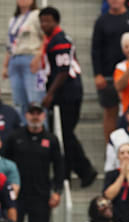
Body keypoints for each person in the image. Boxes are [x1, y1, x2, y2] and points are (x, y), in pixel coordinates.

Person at [3, 103, 63, 222]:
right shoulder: (15, 137)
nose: (35, 116)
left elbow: (59, 167)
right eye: (32, 113)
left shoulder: (51, 139)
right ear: (26, 115)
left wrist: (57, 191)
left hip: (41, 195)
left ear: (44, 116)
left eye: (38, 113)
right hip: (17, 195)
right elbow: (4, 163)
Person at [40, 7, 96, 187]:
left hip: (68, 93)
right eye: (42, 21)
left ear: (56, 21)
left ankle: (84, 170)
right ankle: (68, 171)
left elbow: (63, 71)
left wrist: (50, 94)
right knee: (63, 134)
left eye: (48, 21)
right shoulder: (53, 40)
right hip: (64, 93)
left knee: (65, 134)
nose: (44, 25)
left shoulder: (60, 40)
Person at [91, 0, 129, 139]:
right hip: (109, 74)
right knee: (110, 111)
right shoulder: (102, 21)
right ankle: (111, 147)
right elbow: (96, 49)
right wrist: (98, 74)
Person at [5, 0, 44, 116]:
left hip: (31, 58)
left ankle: (41, 131)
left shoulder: (37, 15)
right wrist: (5, 65)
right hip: (14, 59)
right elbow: (10, 44)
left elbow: (45, 37)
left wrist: (39, 57)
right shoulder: (13, 19)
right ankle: (23, 131)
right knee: (18, 102)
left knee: (35, 100)